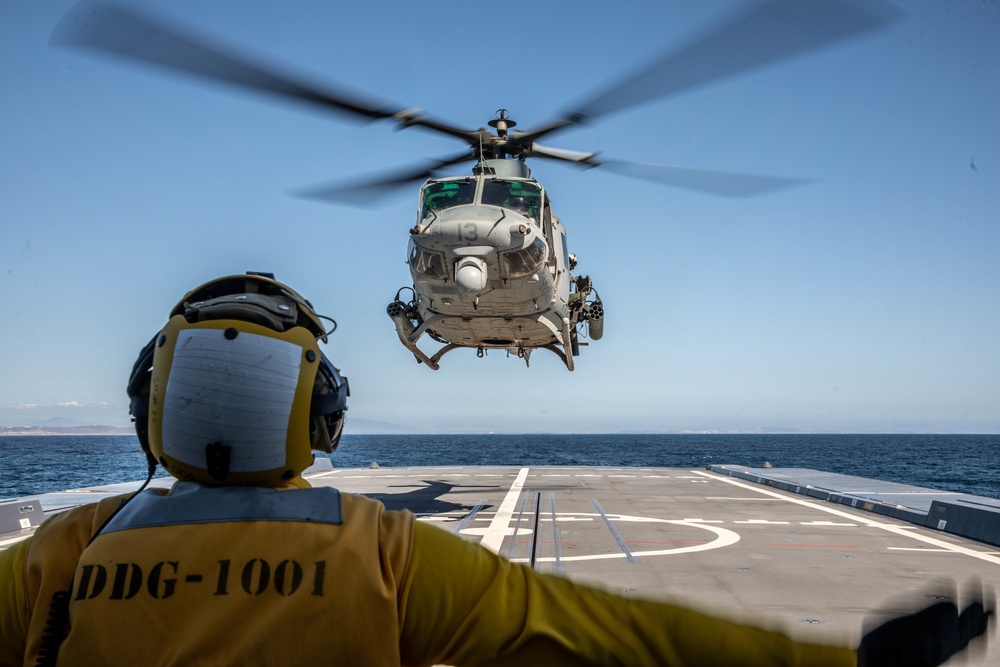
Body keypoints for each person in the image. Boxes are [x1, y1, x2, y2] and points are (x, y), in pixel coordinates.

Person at [0, 272, 992, 666]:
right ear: (319, 414)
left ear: (150, 405)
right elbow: (625, 637)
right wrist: (845, 661)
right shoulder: (371, 552)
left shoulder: (63, 551)